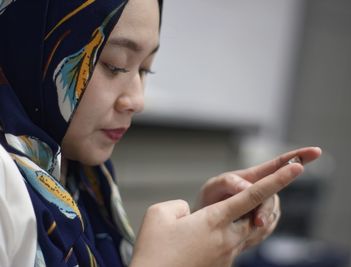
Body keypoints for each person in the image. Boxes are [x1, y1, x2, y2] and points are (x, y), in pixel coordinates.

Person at [0, 0, 322, 266]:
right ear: (30, 48)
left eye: (145, 69)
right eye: (115, 64)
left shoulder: (82, 178)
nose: (137, 101)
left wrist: (201, 234)